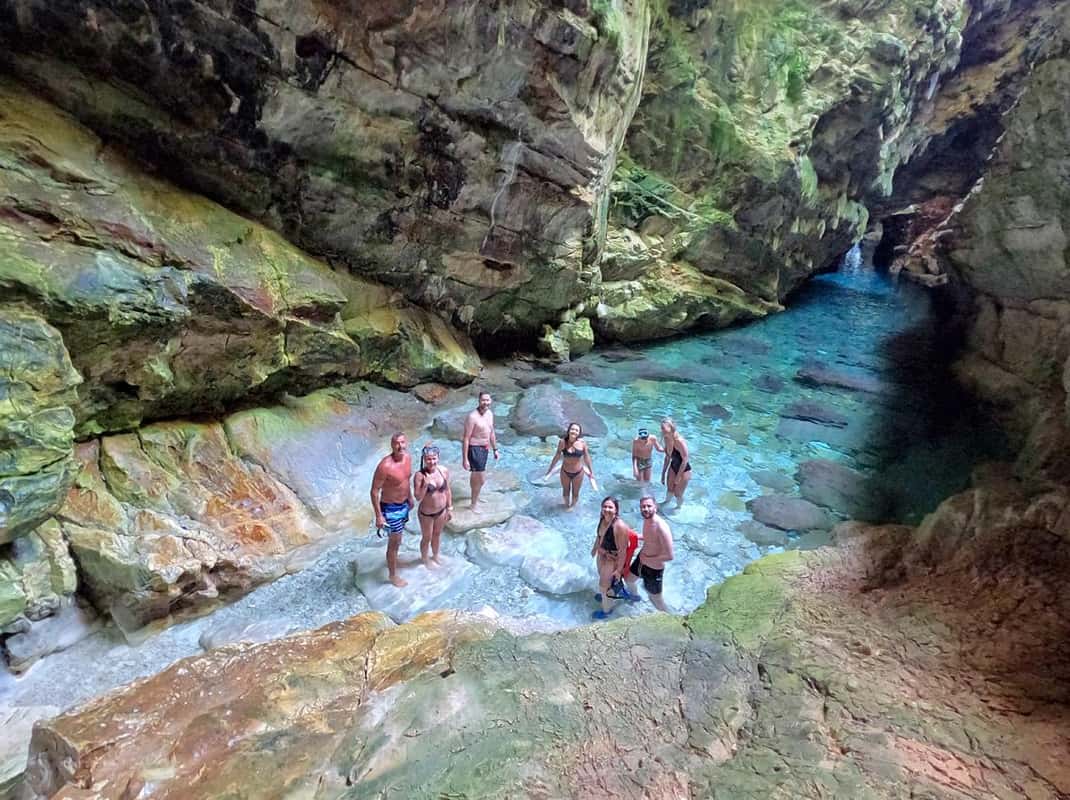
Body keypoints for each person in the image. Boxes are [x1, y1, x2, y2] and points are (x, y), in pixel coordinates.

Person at [369, 432, 414, 587]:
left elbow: (406, 481)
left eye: (402, 442)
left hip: (404, 505)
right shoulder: (385, 466)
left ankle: (394, 562)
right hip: (390, 509)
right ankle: (393, 575)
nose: (400, 446)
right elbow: (374, 491)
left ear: (406, 443)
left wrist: (410, 497)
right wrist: (379, 516)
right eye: (396, 443)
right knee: (394, 542)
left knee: (398, 538)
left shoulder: (408, 458)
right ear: (392, 445)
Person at [624, 496, 674, 612]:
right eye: (643, 507)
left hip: (653, 569)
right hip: (642, 560)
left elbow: (669, 556)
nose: (646, 509)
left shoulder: (661, 527)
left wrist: (647, 559)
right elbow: (650, 537)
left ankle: (671, 617)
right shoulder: (647, 520)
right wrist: (637, 536)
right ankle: (635, 597)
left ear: (655, 507)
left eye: (649, 506)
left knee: (655, 599)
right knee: (628, 580)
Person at [589, 496, 630, 620]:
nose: (607, 509)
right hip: (602, 554)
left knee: (603, 586)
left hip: (612, 558)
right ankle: (611, 593)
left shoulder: (620, 527)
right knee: (604, 580)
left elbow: (623, 551)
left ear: (616, 510)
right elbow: (599, 536)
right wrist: (595, 548)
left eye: (610, 507)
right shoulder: (603, 519)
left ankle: (607, 611)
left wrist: (618, 570)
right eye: (605, 507)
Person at [413, 443, 452, 569]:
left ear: (438, 458)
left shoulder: (443, 471)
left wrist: (449, 508)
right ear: (424, 460)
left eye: (434, 458)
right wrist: (425, 485)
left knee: (437, 535)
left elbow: (447, 490)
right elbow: (418, 497)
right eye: (428, 459)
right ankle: (425, 559)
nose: (432, 462)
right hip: (426, 514)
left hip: (441, 511)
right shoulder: (419, 476)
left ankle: (435, 556)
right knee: (427, 537)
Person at [543, 422, 595, 510]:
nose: (574, 431)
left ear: (579, 433)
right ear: (569, 430)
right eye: (572, 429)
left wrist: (591, 472)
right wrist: (550, 470)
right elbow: (557, 456)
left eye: (576, 430)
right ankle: (566, 505)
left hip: (578, 473)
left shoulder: (582, 443)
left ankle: (572, 507)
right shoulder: (562, 442)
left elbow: (587, 457)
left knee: (575, 493)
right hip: (565, 472)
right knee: (565, 491)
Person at [462, 391, 499, 511]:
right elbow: (466, 438)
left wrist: (495, 449)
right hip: (475, 449)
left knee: (478, 478)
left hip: (485, 448)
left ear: (491, 401)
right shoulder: (472, 417)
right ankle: (473, 505)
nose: (485, 402)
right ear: (479, 401)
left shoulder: (490, 414)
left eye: (487, 400)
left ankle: (475, 497)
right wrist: (465, 459)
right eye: (483, 400)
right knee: (480, 478)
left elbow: (491, 432)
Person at [659, 417, 692, 507]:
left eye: (664, 428)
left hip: (684, 470)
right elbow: (667, 457)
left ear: (671, 428)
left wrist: (678, 476)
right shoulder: (666, 438)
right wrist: (663, 473)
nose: (662, 431)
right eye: (661, 428)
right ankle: (666, 503)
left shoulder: (679, 441)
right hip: (673, 466)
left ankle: (678, 507)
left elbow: (685, 459)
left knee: (678, 493)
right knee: (670, 488)